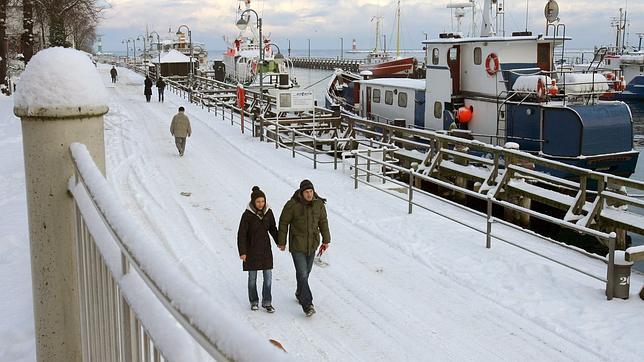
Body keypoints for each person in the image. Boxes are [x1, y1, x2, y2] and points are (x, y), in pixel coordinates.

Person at [278, 179, 330, 317]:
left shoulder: (318, 204)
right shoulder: (292, 205)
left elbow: (323, 222)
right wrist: (281, 241)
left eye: (311, 191)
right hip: (297, 245)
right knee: (302, 273)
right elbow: (283, 222)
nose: (309, 194)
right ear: (301, 193)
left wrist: (326, 240)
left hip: (312, 244)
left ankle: (299, 292)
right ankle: (308, 305)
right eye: (306, 192)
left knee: (306, 273)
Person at [237, 186, 279, 312]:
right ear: (253, 202)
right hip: (251, 250)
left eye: (263, 201)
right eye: (258, 202)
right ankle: (254, 301)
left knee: (268, 277)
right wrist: (243, 252)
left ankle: (267, 302)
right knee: (252, 278)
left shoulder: (268, 212)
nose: (261, 204)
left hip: (265, 249)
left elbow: (273, 228)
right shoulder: (247, 215)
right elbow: (242, 234)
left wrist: (280, 242)